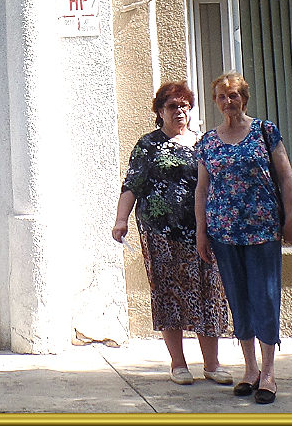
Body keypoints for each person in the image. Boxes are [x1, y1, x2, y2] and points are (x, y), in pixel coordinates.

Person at [112, 81, 232, 387]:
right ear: (160, 111)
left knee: (208, 294)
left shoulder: (203, 143)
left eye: (184, 106)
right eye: (172, 106)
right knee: (169, 295)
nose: (179, 111)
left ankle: (212, 364)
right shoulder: (148, 145)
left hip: (201, 233)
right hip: (160, 234)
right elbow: (132, 184)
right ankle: (178, 364)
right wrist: (121, 220)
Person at [194, 71, 292, 405]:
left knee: (264, 297)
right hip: (223, 233)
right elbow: (202, 189)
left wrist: (291, 217)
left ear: (244, 98)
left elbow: (286, 178)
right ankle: (250, 369)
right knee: (238, 300)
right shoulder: (207, 142)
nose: (228, 101)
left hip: (262, 230)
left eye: (234, 95)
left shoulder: (264, 132)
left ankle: (268, 373)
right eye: (222, 96)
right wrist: (201, 232)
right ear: (215, 102)